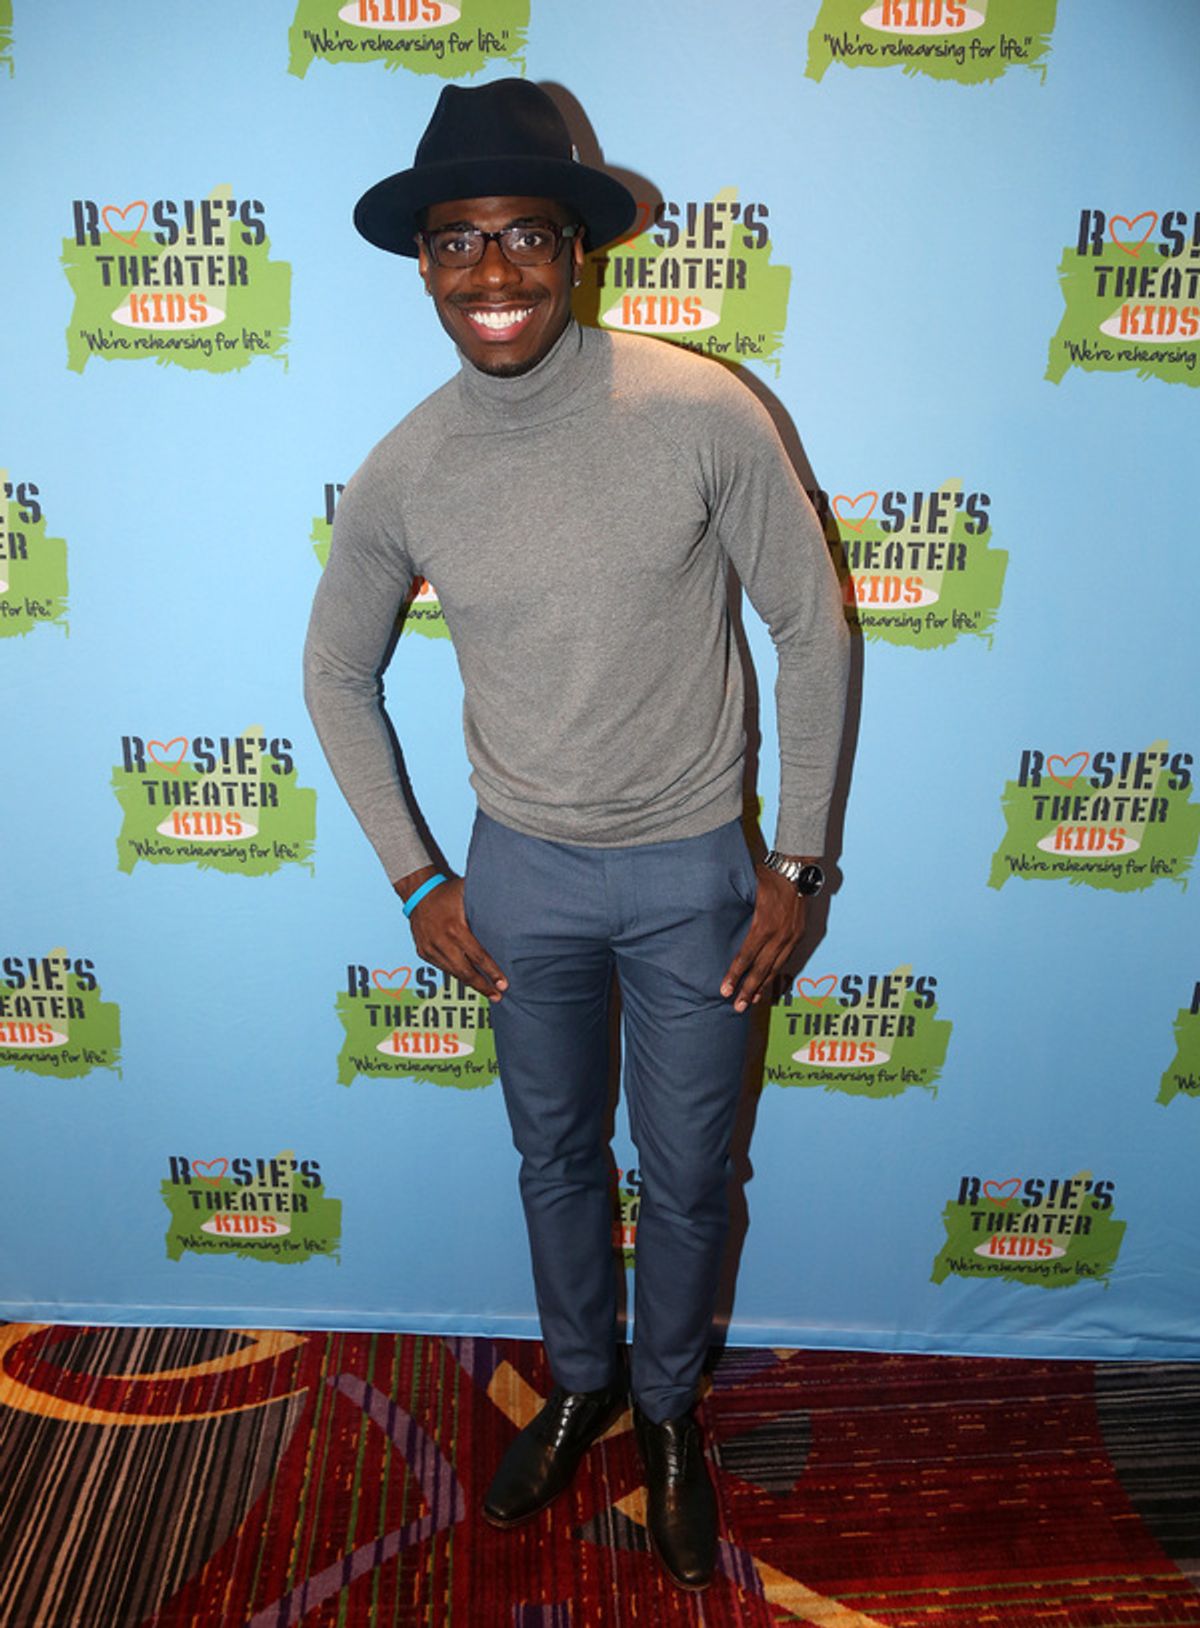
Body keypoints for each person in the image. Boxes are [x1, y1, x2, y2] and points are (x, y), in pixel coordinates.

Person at [304, 78, 849, 1593]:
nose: (492, 272)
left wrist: (800, 861)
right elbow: (335, 673)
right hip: (519, 880)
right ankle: (581, 1380)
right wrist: (417, 876)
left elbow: (812, 627)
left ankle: (666, 1414)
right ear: (425, 263)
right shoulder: (408, 465)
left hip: (696, 879)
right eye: (458, 241)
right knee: (551, 1158)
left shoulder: (702, 411)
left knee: (688, 1174)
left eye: (524, 235)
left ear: (577, 249)